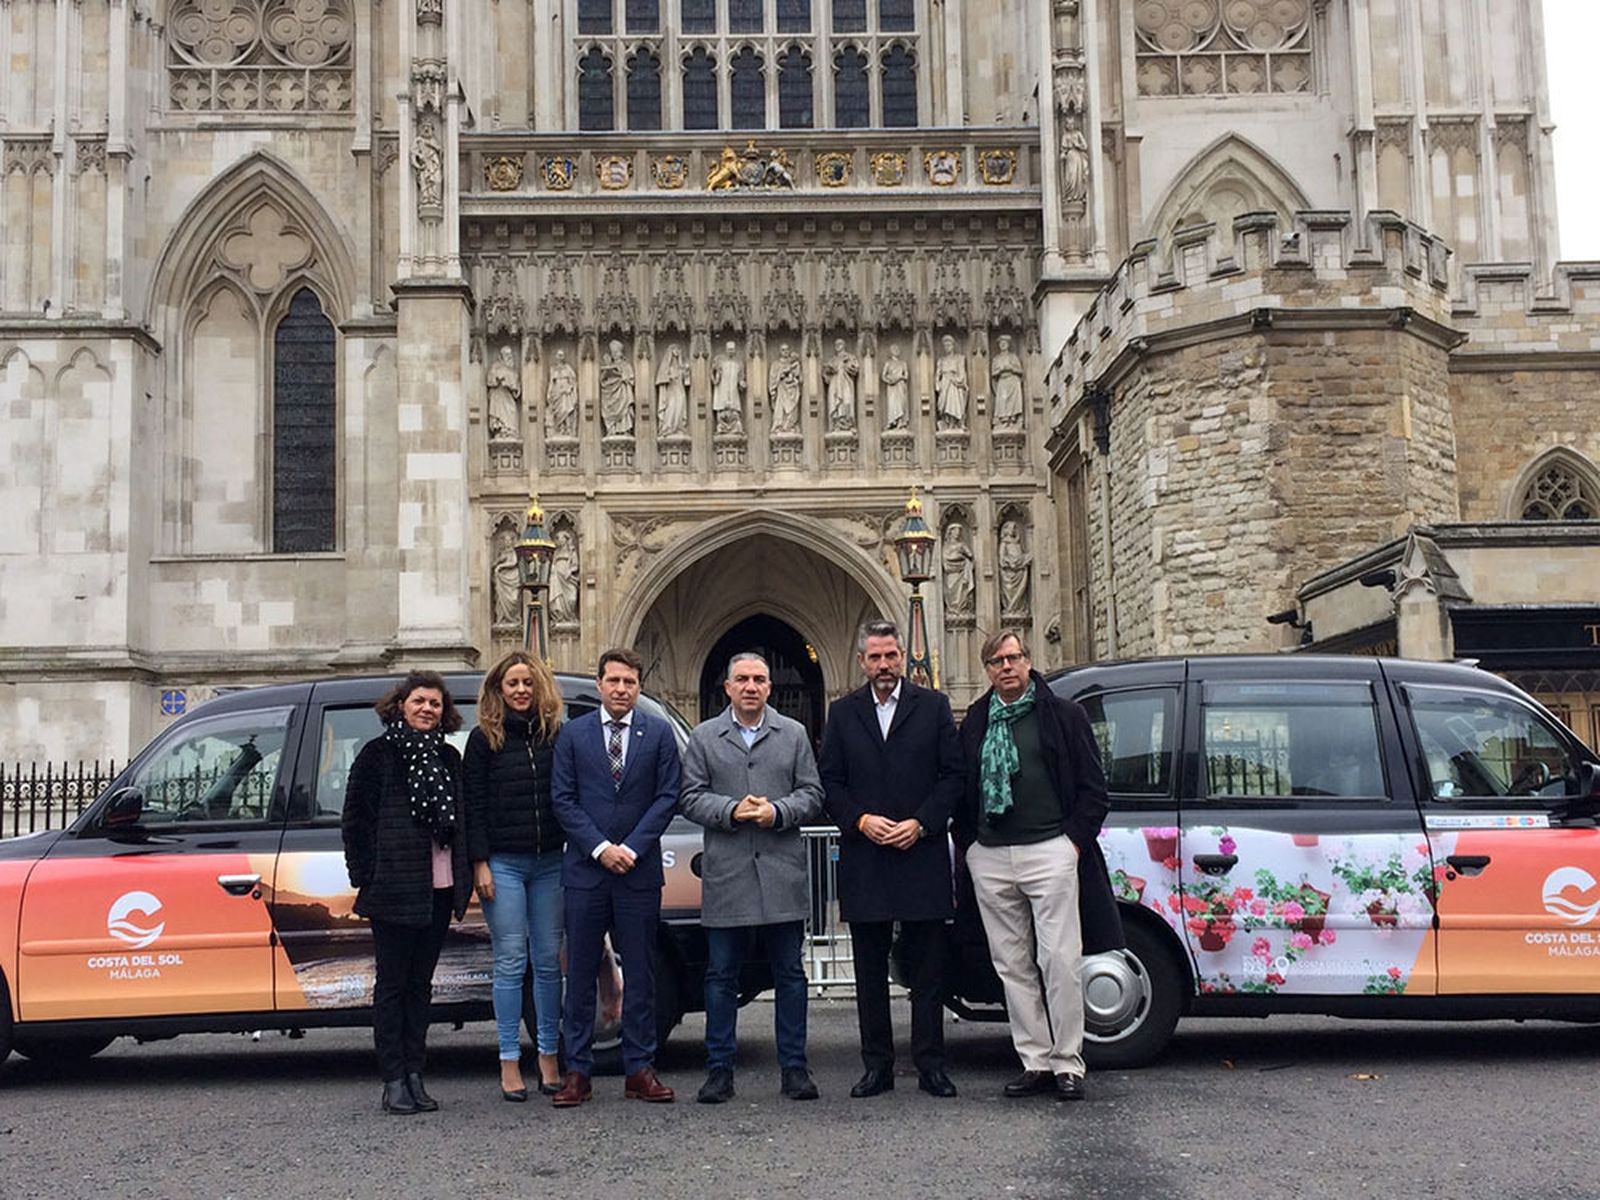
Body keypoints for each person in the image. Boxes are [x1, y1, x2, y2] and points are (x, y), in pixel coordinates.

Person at [955, 631, 1124, 1102]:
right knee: (1012, 965)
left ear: (1028, 661)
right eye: (997, 661)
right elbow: (961, 787)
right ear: (987, 670)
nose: (1006, 667)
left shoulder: (1063, 715)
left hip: (1049, 848)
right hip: (992, 854)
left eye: (1013, 657)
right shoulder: (976, 721)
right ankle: (1035, 1060)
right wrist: (970, 847)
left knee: (1060, 960)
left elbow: (1093, 788)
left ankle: (1068, 1062)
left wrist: (1071, 844)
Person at [818, 620, 963, 1099]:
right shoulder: (842, 714)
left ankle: (931, 1065)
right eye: (876, 657)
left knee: (928, 972)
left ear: (903, 656)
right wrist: (860, 820)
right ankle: (876, 1067)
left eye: (891, 655)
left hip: (920, 853)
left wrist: (921, 823)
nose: (884, 665)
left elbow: (952, 776)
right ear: (862, 661)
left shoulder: (933, 707)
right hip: (866, 857)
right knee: (869, 973)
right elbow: (829, 781)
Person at [679, 652, 825, 1104]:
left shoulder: (793, 734)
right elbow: (690, 796)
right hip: (728, 873)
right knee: (721, 976)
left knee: (790, 975)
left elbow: (812, 793)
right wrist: (731, 810)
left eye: (759, 679)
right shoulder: (704, 737)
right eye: (741, 679)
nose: (750, 686)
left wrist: (777, 811)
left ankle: (794, 1068)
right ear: (727, 687)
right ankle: (719, 1071)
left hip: (781, 872)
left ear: (769, 687)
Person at [549, 648, 681, 1106]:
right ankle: (577, 1072)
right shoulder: (573, 734)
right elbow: (563, 799)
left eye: (629, 682)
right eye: (614, 681)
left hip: (638, 872)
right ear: (600, 684)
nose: (621, 689)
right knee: (580, 974)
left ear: (639, 686)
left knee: (641, 973)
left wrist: (632, 848)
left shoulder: (658, 733)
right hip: (587, 872)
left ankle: (639, 1069)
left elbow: (667, 796)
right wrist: (602, 848)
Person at [341, 670, 470, 1115]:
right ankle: (393, 1079)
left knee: (420, 986)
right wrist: (366, 876)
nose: (427, 709)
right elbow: (356, 821)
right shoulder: (377, 755)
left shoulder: (448, 757)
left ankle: (416, 1073)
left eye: (435, 703)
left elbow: (460, 821)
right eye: (419, 701)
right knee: (392, 986)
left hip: (438, 886)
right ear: (401, 705)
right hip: (394, 887)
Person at [463, 651, 566, 1102]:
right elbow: (472, 805)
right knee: (510, 961)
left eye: (527, 682)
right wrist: (479, 862)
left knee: (548, 962)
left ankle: (548, 1055)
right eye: (512, 684)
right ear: (498, 690)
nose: (521, 690)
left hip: (550, 862)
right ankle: (508, 1058)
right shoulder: (483, 739)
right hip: (502, 863)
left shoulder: (554, 735)